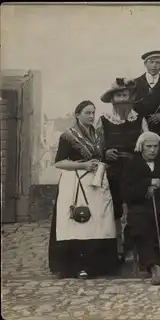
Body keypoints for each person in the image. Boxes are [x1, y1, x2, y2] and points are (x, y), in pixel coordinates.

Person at [48, 100, 119, 279]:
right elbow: (59, 162)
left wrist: (105, 157)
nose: (91, 116)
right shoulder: (68, 136)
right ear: (77, 114)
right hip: (75, 182)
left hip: (96, 181)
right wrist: (84, 165)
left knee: (98, 223)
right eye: (87, 112)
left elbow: (99, 155)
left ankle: (97, 265)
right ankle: (75, 266)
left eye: (93, 113)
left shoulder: (98, 135)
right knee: (77, 222)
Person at [96, 78, 149, 260]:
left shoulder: (139, 120)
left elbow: (147, 144)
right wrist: (105, 152)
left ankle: (134, 245)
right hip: (112, 171)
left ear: (130, 97)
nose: (122, 99)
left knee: (135, 207)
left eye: (125, 95)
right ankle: (117, 247)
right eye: (118, 96)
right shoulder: (103, 121)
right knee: (115, 208)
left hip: (134, 169)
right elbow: (96, 147)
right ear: (112, 99)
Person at [121, 132, 160, 285]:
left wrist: (158, 187)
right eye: (148, 146)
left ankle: (156, 261)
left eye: (155, 146)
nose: (152, 150)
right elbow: (126, 192)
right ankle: (154, 266)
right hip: (140, 208)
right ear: (141, 147)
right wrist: (147, 184)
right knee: (141, 229)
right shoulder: (131, 165)